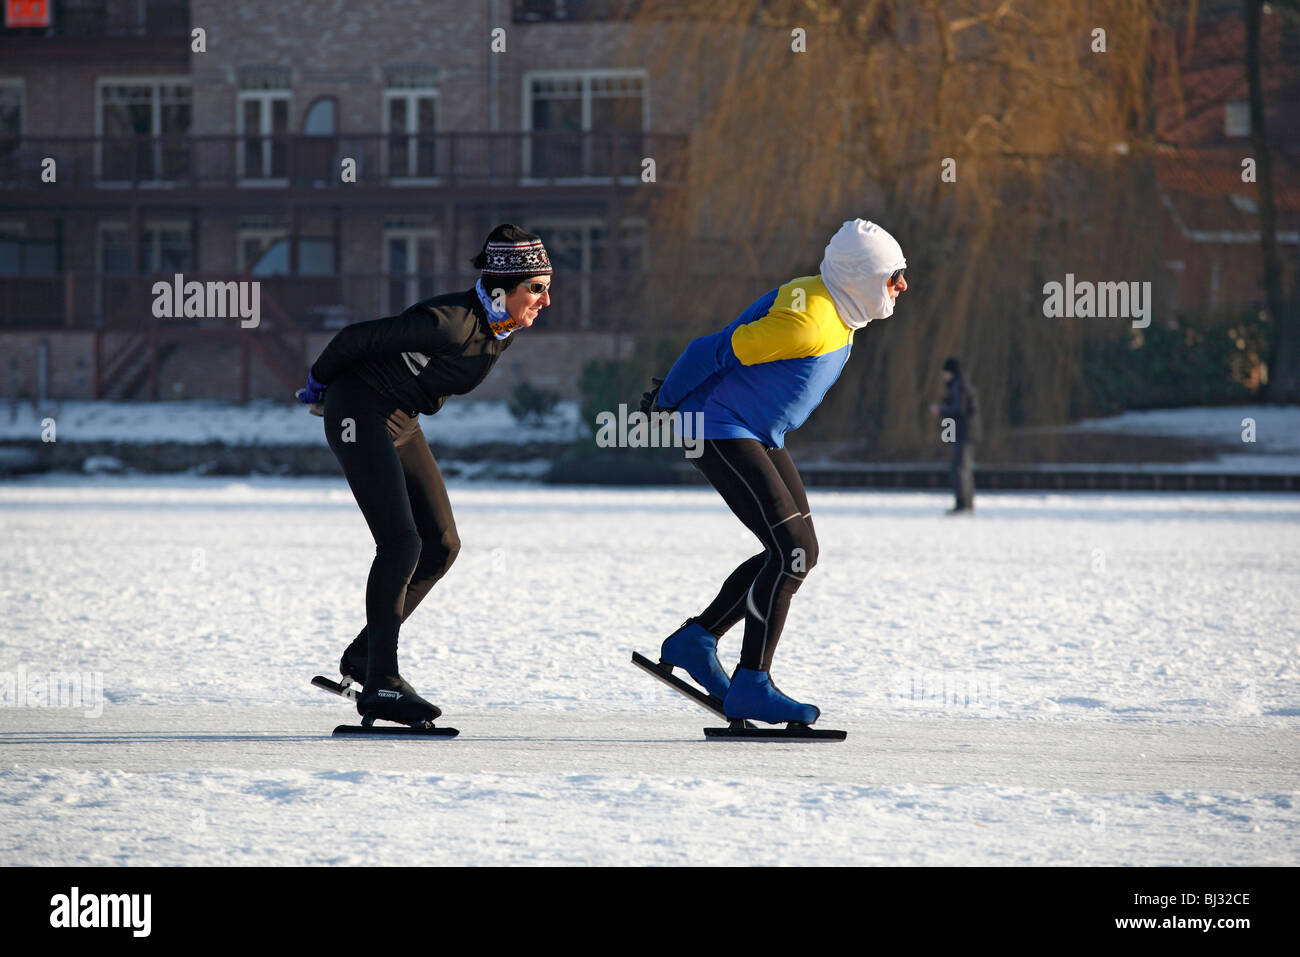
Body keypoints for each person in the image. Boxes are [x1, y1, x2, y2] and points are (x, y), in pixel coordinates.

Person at [641, 219, 907, 725]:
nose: (902, 287)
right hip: (716, 428)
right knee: (792, 553)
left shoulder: (829, 307)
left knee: (797, 552)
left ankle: (696, 640)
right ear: (861, 278)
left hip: (754, 431)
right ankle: (751, 685)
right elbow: (712, 349)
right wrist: (666, 404)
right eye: (893, 276)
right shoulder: (808, 321)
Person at [295, 224, 552, 726]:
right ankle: (382, 684)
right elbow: (355, 338)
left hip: (398, 416)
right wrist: (319, 384)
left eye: (548, 287)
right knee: (400, 543)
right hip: (357, 409)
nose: (546, 300)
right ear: (503, 288)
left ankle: (367, 657)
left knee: (442, 544)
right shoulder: (451, 323)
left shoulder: (499, 325)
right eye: (537, 288)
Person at [929, 356, 980, 514]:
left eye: (945, 372)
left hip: (964, 434)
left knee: (959, 469)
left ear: (950, 372)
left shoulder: (960, 386)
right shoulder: (959, 385)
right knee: (963, 469)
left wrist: (941, 411)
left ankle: (963, 505)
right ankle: (966, 504)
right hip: (964, 433)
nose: (943, 376)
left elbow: (959, 410)